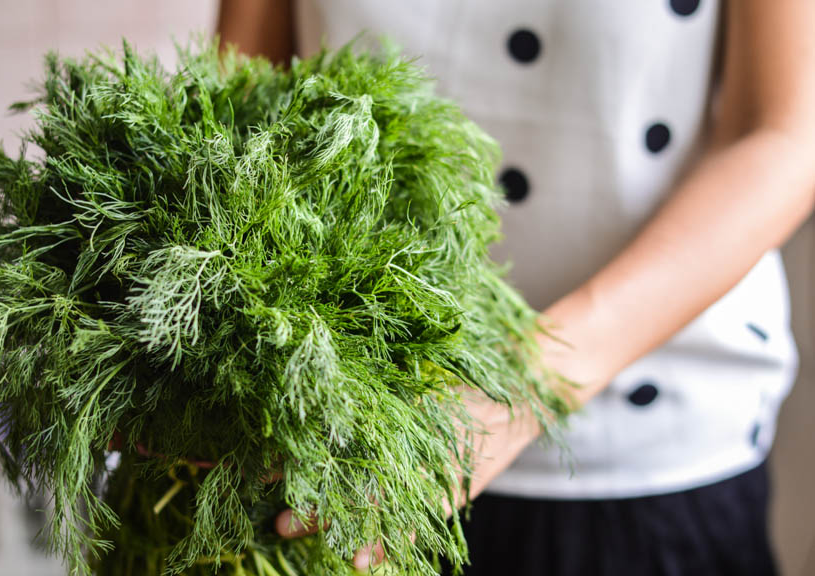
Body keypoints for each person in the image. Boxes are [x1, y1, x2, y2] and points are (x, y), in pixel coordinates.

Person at [218, 1, 815, 574]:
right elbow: (241, 94)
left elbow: (786, 137)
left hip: (637, 458)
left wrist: (523, 381)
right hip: (326, 437)